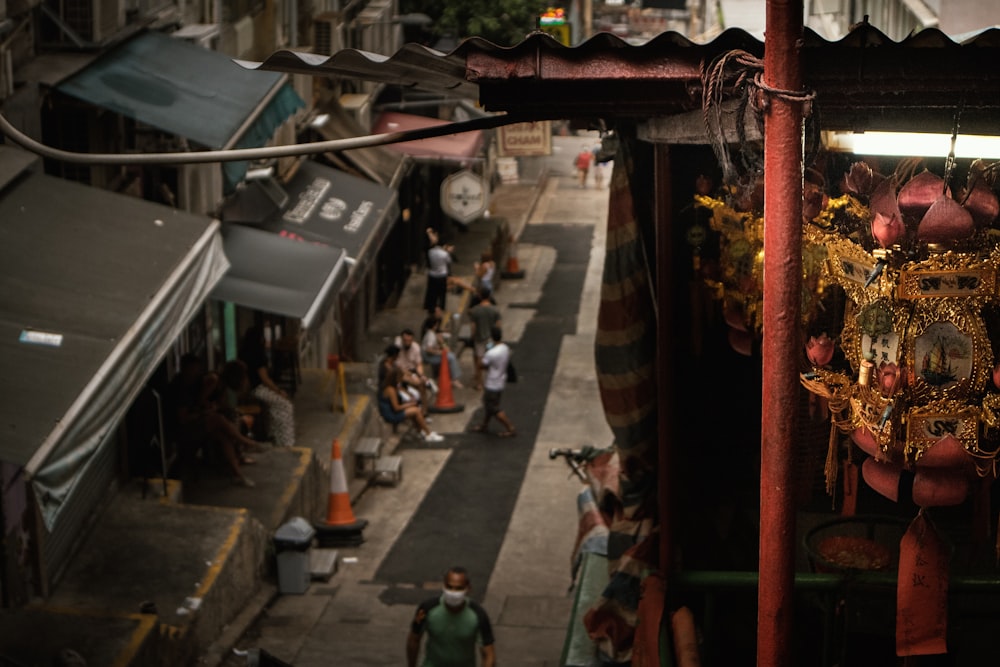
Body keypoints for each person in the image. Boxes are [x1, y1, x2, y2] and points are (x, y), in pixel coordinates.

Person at [406, 566, 496, 667]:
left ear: (468, 588)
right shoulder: (427, 609)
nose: (453, 592)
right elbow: (414, 639)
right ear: (443, 586)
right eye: (449, 587)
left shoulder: (478, 615)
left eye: (459, 588)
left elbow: (489, 654)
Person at [239, 326, 295, 446]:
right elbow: (265, 379)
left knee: (276, 407)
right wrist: (279, 391)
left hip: (251, 390)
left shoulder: (243, 353)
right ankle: (285, 440)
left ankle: (275, 436)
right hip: (259, 389)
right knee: (285, 405)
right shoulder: (258, 355)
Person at [201, 371, 258, 487]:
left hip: (209, 418)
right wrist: (210, 407)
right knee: (221, 419)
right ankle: (246, 442)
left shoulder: (224, 388)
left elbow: (223, 405)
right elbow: (200, 400)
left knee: (225, 436)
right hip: (199, 418)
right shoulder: (214, 380)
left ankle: (237, 473)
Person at [378, 366, 444, 443]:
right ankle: (428, 434)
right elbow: (396, 408)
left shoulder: (393, 386)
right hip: (391, 414)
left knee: (413, 409)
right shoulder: (390, 390)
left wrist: (409, 403)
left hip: (394, 410)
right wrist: (409, 404)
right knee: (416, 410)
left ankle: (420, 430)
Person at [472, 327, 516, 437]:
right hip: (500, 381)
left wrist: (482, 354)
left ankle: (510, 427)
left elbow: (481, 365)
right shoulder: (505, 348)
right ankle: (484, 425)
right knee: (489, 405)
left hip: (492, 383)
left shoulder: (491, 353)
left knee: (493, 408)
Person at [467, 288, 501, 390]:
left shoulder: (475, 311)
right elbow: (498, 325)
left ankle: (479, 383)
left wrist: (472, 337)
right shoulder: (495, 310)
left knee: (479, 360)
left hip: (479, 339)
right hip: (490, 339)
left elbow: (473, 327)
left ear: (480, 296)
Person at [394, 327, 436, 403]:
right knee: (414, 382)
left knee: (422, 382)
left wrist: (421, 375)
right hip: (400, 371)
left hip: (412, 370)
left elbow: (419, 364)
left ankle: (424, 407)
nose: (407, 343)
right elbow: (398, 367)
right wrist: (411, 376)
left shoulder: (416, 347)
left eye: (409, 341)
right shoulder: (397, 348)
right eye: (405, 340)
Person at [421, 314, 461, 388]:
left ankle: (451, 377)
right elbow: (428, 349)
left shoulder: (431, 333)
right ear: (434, 325)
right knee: (451, 357)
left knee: (450, 355)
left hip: (429, 354)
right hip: (427, 356)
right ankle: (455, 379)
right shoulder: (430, 335)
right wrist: (439, 352)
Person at [424, 228, 455, 314]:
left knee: (431, 291)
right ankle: (442, 306)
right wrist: (448, 252)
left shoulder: (430, 252)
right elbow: (449, 261)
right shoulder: (444, 254)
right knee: (442, 293)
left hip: (432, 274)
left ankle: (430, 305)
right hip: (441, 275)